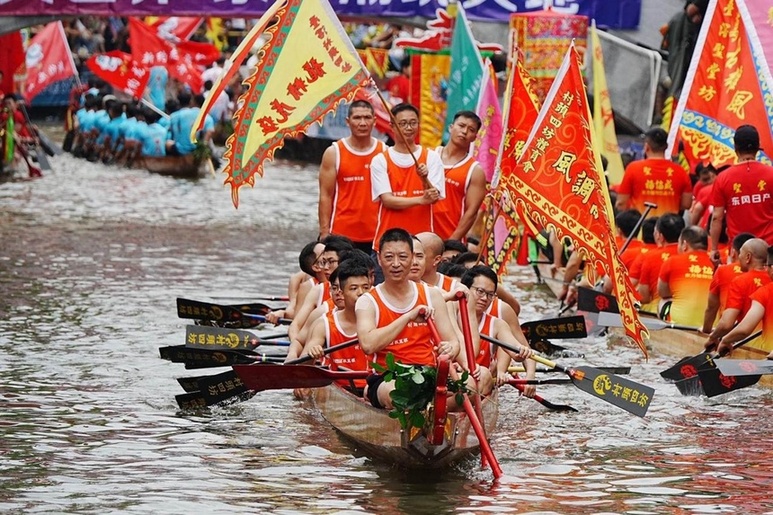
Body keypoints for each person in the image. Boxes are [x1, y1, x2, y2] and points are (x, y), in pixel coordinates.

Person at [356, 228, 460, 409]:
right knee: (398, 393)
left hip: (428, 373)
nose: (396, 264)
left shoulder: (432, 295)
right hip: (387, 377)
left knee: (472, 386)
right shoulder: (367, 301)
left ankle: (434, 415)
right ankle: (428, 414)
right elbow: (368, 345)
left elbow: (453, 341)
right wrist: (408, 317)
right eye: (389, 257)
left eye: (402, 257)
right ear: (379, 259)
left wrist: (450, 348)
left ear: (412, 258)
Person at [370, 103, 445, 253]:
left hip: (423, 243)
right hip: (388, 243)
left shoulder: (431, 157)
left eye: (413, 123)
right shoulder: (380, 160)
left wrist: (424, 178)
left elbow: (434, 196)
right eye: (403, 124)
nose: (409, 128)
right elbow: (388, 200)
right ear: (392, 126)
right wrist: (420, 200)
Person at [318, 100, 386, 254]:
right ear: (348, 122)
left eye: (367, 118)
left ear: (375, 121)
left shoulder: (384, 152)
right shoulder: (334, 153)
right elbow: (325, 196)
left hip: (376, 234)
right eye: (357, 118)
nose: (362, 123)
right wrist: (324, 232)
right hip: (341, 234)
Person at [460, 265, 535, 397]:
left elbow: (516, 350)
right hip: (453, 380)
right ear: (465, 289)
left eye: (490, 295)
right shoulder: (447, 314)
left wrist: (529, 375)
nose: (484, 298)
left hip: (479, 383)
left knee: (481, 375)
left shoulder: (497, 325)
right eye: (480, 291)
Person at [303, 263, 372, 392]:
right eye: (353, 288)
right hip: (339, 390)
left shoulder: (381, 320)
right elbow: (302, 368)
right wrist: (312, 353)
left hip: (372, 387)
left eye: (365, 287)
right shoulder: (324, 324)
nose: (361, 293)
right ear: (342, 292)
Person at [710, 125, 773, 256]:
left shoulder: (723, 178)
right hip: (769, 250)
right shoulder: (771, 174)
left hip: (739, 252)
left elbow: (717, 217)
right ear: (758, 146)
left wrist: (714, 249)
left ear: (735, 147)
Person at [704, 239, 771, 349]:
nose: (739, 257)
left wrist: (713, 337)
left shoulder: (740, 281)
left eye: (741, 253)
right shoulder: (770, 281)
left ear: (748, 257)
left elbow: (726, 324)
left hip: (750, 347)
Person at [433, 111, 487, 241]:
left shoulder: (475, 170)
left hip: (448, 239)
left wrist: (452, 243)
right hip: (419, 238)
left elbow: (471, 212)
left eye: (471, 129)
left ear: (475, 137)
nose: (464, 131)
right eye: (461, 126)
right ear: (451, 127)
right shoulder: (429, 156)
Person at [615, 128, 692, 217]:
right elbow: (686, 204)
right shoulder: (680, 171)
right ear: (666, 146)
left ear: (647, 147)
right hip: (667, 227)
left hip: (639, 226)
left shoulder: (633, 168)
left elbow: (621, 203)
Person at [657, 226, 714, 326]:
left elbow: (662, 292)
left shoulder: (672, 261)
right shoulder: (716, 264)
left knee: (663, 301)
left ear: (684, 245)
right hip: (710, 324)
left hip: (679, 322)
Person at [701, 232, 754, 331]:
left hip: (727, 334)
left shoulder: (722, 271)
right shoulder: (768, 275)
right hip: (759, 338)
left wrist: (706, 331)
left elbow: (712, 308)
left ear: (733, 252)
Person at [635, 213, 685, 313]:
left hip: (658, 312)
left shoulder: (649, 257)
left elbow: (643, 297)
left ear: (660, 236)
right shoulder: (689, 256)